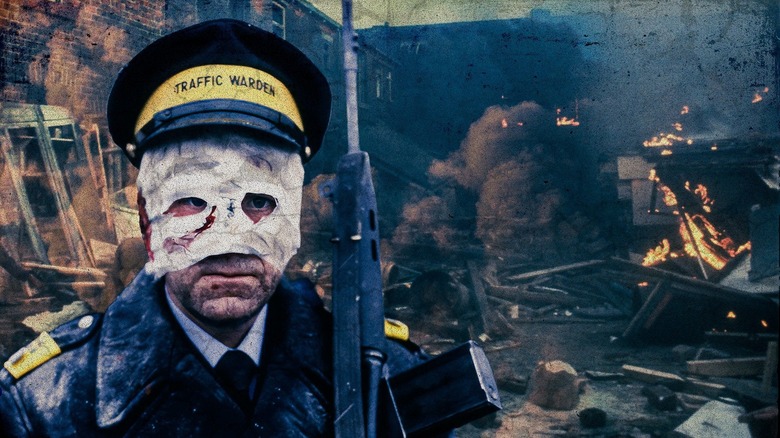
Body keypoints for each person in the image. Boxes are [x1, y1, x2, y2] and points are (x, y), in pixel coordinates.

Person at [0, 19, 425, 436]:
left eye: (260, 201)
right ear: (147, 218)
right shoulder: (46, 405)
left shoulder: (388, 375)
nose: (228, 239)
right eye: (192, 200)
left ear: (293, 218)